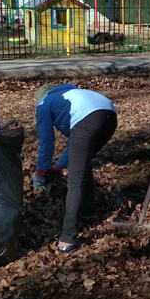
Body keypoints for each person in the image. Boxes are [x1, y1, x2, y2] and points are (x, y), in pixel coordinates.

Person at [32, 84, 117, 253]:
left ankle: (68, 237)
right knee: (83, 164)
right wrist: (58, 166)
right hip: (110, 115)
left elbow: (46, 143)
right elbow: (75, 145)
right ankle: (88, 212)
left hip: (89, 119)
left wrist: (40, 172)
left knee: (75, 179)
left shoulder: (44, 103)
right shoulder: (70, 94)